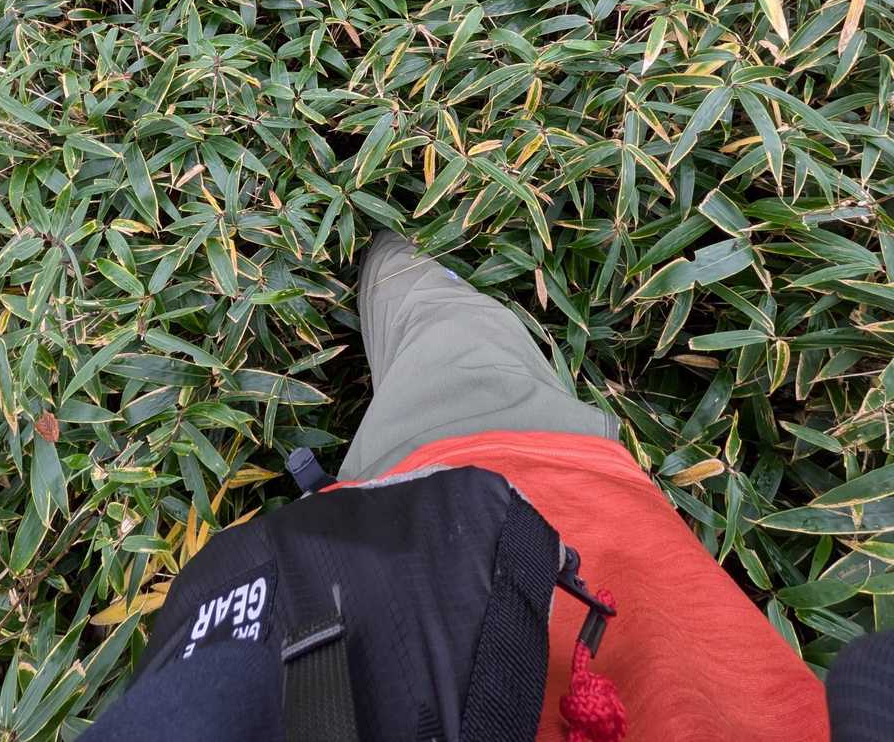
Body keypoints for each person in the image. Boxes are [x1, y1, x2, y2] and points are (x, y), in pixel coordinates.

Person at [82, 231, 833, 741]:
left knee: (425, 309)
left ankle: (374, 249)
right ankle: (380, 250)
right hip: (509, 494)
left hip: (498, 507)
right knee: (431, 312)